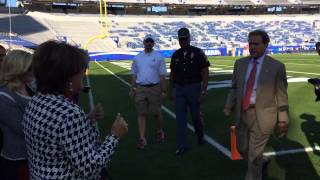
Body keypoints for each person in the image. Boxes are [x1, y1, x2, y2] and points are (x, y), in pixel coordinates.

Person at [22, 40, 128, 179]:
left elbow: (56, 138)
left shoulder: (37, 100)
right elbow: (91, 168)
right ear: (68, 78)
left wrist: (86, 120)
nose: (84, 74)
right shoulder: (69, 114)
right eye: (81, 71)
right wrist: (114, 136)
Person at [223, 30, 289, 180]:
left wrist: (283, 118)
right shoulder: (240, 64)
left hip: (264, 116)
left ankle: (253, 174)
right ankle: (262, 161)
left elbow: (282, 95)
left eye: (256, 44)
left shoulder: (277, 67)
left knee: (253, 158)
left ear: (266, 45)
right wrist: (229, 104)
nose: (252, 47)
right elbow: (234, 87)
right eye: (250, 43)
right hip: (243, 114)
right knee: (242, 149)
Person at [169, 27, 210, 155]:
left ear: (189, 38)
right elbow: (172, 74)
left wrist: (203, 90)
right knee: (180, 119)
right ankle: (182, 146)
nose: (183, 42)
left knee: (196, 116)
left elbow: (205, 71)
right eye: (181, 40)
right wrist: (171, 90)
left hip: (194, 88)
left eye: (185, 39)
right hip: (180, 89)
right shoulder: (176, 55)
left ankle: (200, 135)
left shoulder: (198, 52)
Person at [0, 50, 33, 180]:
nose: (33, 71)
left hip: (32, 157)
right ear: (18, 69)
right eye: (30, 68)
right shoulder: (4, 96)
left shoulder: (28, 87)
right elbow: (24, 129)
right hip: (17, 160)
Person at [129, 34, 167, 149]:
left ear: (153, 43)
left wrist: (164, 90)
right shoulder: (137, 57)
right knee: (141, 113)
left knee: (156, 113)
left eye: (151, 41)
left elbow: (162, 75)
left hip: (154, 88)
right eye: (147, 41)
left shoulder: (159, 57)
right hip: (141, 88)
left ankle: (160, 131)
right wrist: (132, 88)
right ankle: (142, 138)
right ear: (143, 43)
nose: (149, 43)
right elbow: (134, 74)